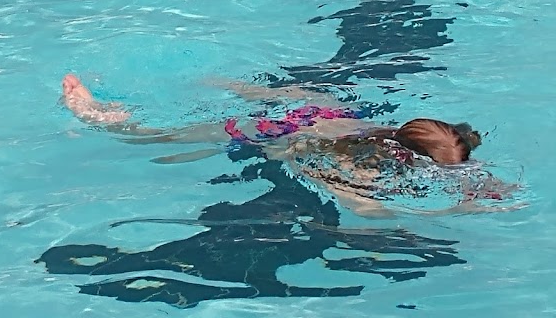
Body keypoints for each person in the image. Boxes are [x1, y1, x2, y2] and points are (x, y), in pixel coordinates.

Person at [61, 74, 511, 215]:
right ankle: (100, 116)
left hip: (327, 115)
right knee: (168, 140)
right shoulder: (374, 164)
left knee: (299, 98)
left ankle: (232, 84)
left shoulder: (405, 134)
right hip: (285, 135)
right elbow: (365, 209)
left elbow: (452, 154)